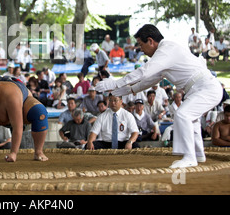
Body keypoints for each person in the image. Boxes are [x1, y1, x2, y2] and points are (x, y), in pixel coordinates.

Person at [95, 24, 223, 168]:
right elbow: (148, 80)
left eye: (141, 44)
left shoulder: (166, 50)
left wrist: (115, 83)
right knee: (191, 120)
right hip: (199, 89)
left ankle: (189, 157)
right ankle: (198, 155)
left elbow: (144, 72)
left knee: (183, 115)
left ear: (150, 40)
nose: (140, 49)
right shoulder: (164, 55)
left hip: (207, 87)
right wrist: (122, 91)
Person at [0, 69, 49, 162]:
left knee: (39, 112)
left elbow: (18, 126)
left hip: (21, 97)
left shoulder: (11, 94)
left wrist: (13, 153)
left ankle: (38, 152)